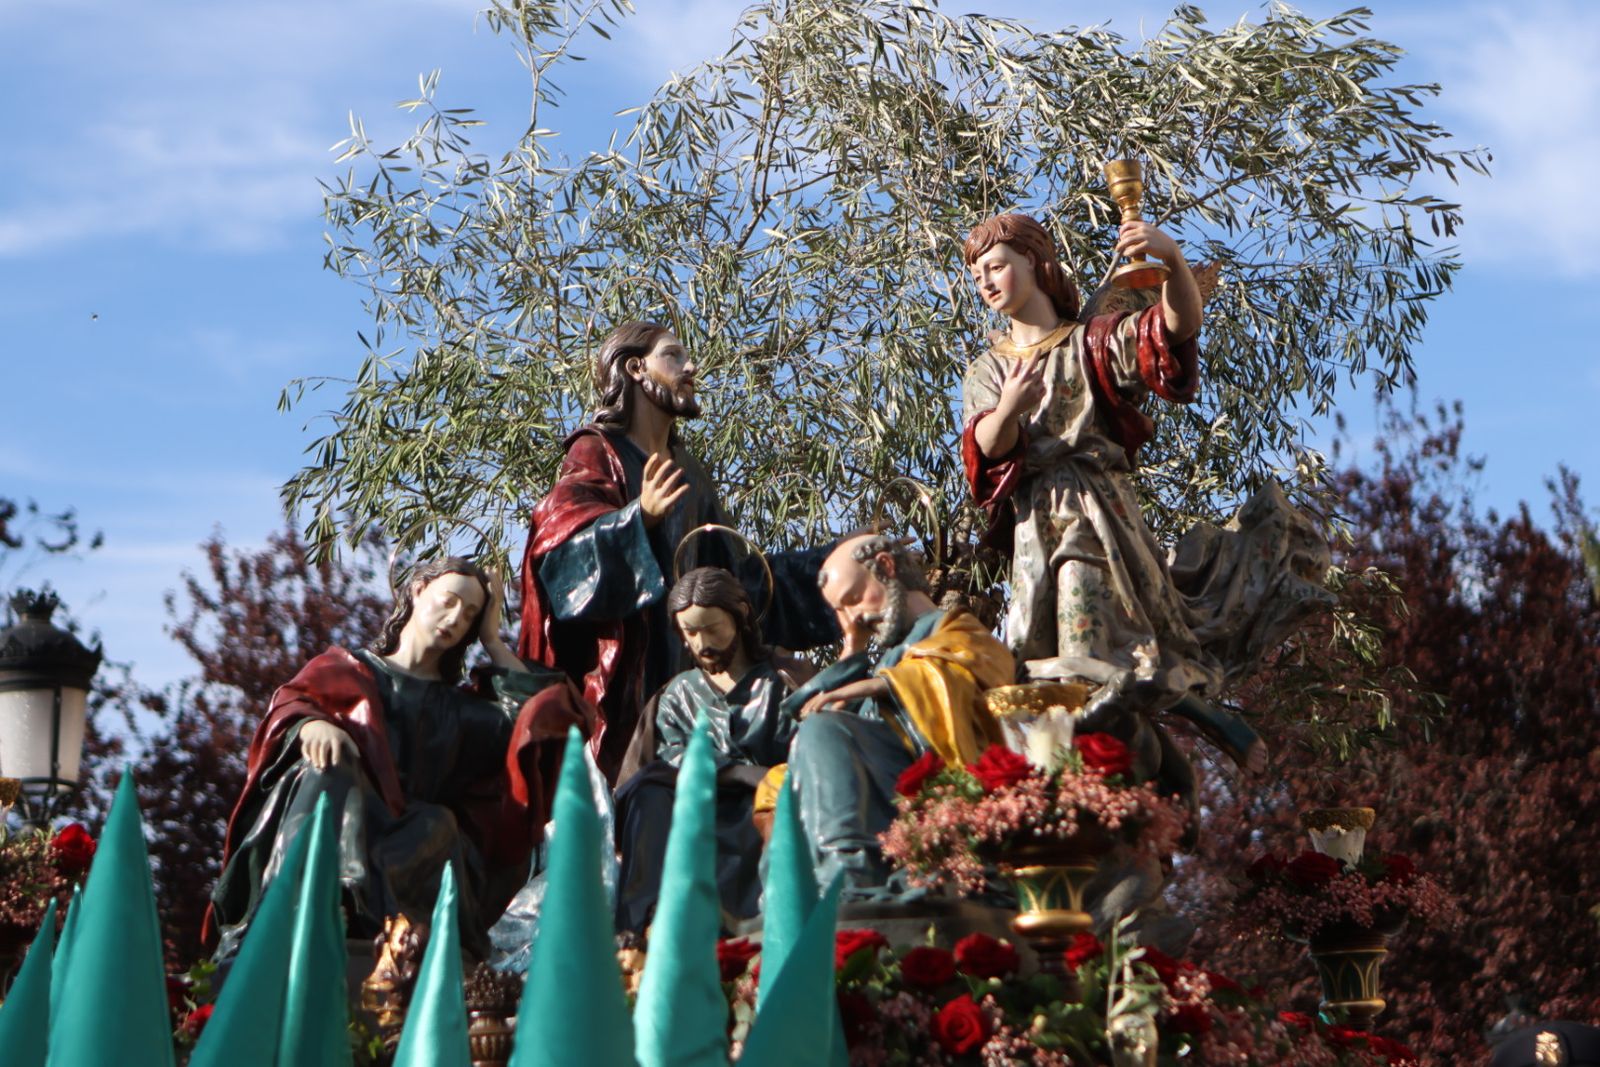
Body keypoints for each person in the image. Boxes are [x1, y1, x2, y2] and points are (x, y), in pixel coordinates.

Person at [960, 212, 1332, 719]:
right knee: (1034, 656)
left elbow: (1175, 328)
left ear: (1031, 261)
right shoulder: (989, 368)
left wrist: (1172, 259)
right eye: (978, 275)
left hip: (1097, 516)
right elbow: (985, 448)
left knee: (1086, 647)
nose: (986, 283)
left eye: (996, 267)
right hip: (1034, 525)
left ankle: (1098, 757)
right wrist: (1008, 408)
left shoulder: (1090, 342)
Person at [206, 558, 592, 962]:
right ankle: (294, 911)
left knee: (437, 824)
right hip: (343, 811)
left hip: (410, 838)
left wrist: (493, 641)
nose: (456, 617)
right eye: (449, 601)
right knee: (328, 768)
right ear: (416, 591)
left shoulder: (459, 710)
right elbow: (290, 706)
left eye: (471, 614)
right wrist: (310, 725)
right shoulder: (347, 671)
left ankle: (368, 929)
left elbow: (545, 718)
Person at [518, 321, 835, 785]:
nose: (691, 367)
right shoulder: (596, 451)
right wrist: (637, 519)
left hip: (689, 678)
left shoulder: (691, 474)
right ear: (634, 368)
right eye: (673, 356)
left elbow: (741, 580)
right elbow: (560, 565)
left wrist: (836, 568)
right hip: (622, 690)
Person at [785, 532, 1012, 890]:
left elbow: (989, 666)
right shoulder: (886, 657)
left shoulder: (952, 626)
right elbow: (815, 714)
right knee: (791, 767)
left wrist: (883, 684)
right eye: (842, 612)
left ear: (887, 568)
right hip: (881, 777)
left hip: (926, 770)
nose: (856, 617)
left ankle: (848, 873)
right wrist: (852, 649)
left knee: (822, 733)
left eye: (855, 599)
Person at [613, 566, 813, 932]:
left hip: (768, 804)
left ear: (740, 620)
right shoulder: (677, 696)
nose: (703, 642)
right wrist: (736, 772)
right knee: (648, 791)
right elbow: (665, 761)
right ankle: (641, 926)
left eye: (713, 628)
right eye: (691, 632)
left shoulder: (783, 680)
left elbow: (814, 746)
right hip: (697, 808)